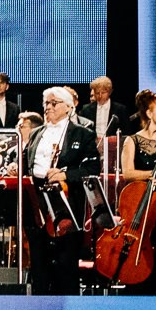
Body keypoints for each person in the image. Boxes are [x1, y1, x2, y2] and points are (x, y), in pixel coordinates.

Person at [23, 85, 98, 295]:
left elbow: (92, 169)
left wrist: (66, 175)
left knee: (65, 262)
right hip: (37, 199)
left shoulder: (83, 134)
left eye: (54, 103)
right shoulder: (36, 133)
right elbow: (26, 161)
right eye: (46, 103)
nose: (48, 107)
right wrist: (16, 167)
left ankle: (68, 304)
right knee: (39, 260)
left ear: (68, 107)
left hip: (66, 201)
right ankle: (38, 304)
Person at [84, 76, 119, 142]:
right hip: (92, 145)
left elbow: (126, 133)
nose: (100, 96)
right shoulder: (86, 110)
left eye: (103, 93)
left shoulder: (120, 109)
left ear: (110, 92)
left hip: (113, 145)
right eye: (97, 93)